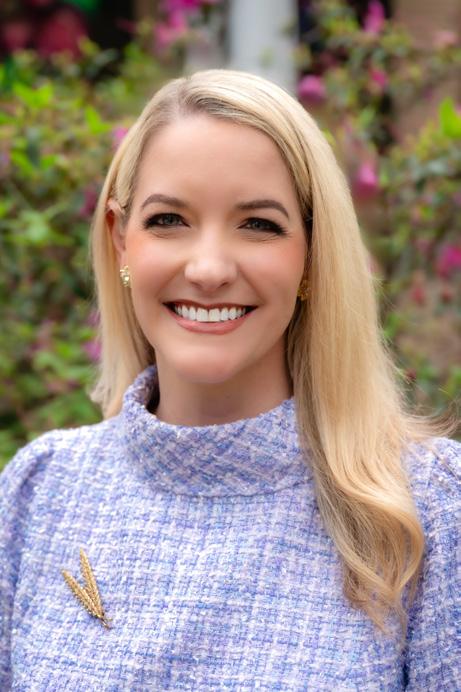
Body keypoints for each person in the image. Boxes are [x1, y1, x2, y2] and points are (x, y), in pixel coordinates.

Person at [0, 69, 459, 691]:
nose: (209, 268)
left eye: (259, 224)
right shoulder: (40, 491)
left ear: (312, 254)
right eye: (168, 219)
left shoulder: (430, 508)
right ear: (120, 241)